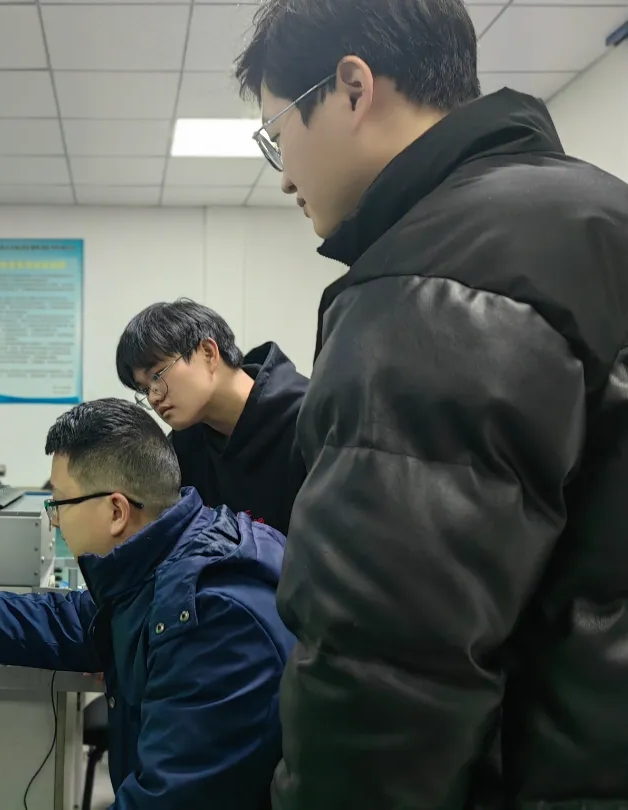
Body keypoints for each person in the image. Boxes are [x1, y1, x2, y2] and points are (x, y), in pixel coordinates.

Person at [234, 0, 628, 807]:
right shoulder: (598, 215)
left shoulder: (430, 278)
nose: (284, 175)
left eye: (278, 132)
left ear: (352, 88)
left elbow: (387, 669)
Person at [0, 398, 294, 809]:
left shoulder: (212, 620)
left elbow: (168, 799)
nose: (55, 520)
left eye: (59, 503)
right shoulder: (173, 555)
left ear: (116, 511)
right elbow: (74, 621)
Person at [116, 299, 307, 533]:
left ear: (208, 352)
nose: (154, 397)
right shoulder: (183, 446)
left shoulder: (311, 420)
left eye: (157, 375)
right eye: (145, 389)